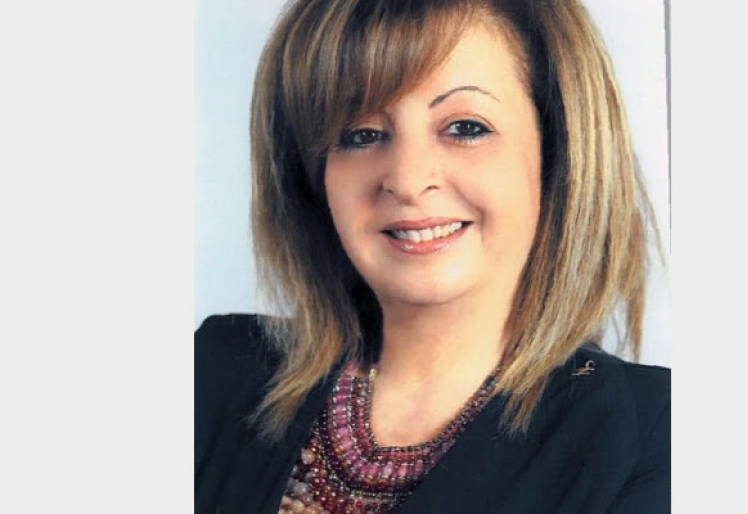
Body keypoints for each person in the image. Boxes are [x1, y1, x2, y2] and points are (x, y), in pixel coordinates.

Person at [195, 0, 670, 512]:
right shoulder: (212, 371)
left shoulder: (657, 438)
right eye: (361, 134)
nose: (406, 180)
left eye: (465, 127)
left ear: (559, 151)